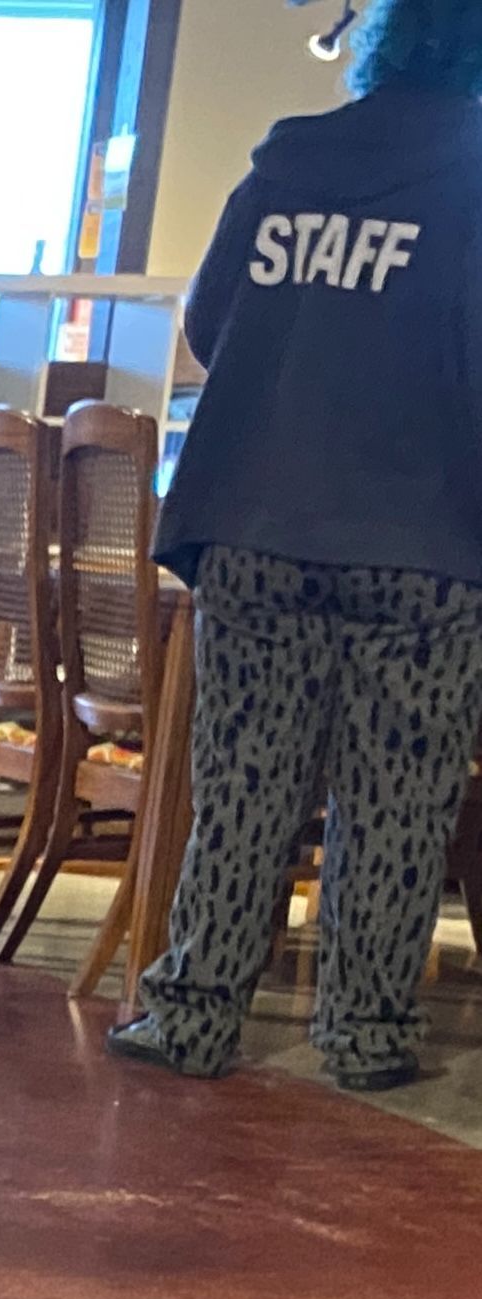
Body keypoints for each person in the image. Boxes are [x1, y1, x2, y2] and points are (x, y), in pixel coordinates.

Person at [112, 0, 482, 1090]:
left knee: (242, 778)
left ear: (375, 49)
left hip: (255, 520)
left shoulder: (282, 165)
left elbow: (205, 324)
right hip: (420, 542)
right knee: (397, 796)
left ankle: (190, 1014)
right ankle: (363, 1036)